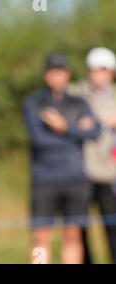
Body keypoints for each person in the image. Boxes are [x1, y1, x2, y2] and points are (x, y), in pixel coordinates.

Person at [23, 52, 100, 264]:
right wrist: (76, 131)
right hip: (44, 179)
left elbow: (95, 132)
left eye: (61, 72)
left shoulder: (79, 102)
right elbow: (39, 139)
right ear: (45, 75)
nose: (56, 76)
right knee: (40, 236)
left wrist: (63, 127)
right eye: (52, 72)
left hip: (75, 178)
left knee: (73, 234)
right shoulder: (33, 102)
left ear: (67, 74)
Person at [69, 47, 116, 264]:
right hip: (82, 171)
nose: (99, 74)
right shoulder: (76, 93)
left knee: (112, 226)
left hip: (109, 174)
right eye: (95, 69)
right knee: (80, 227)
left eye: (104, 69)